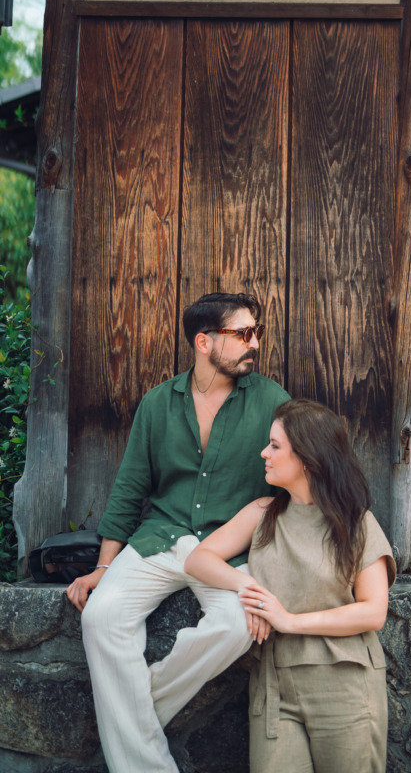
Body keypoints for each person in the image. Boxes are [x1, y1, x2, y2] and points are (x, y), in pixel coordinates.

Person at [65, 292, 290, 773]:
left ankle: (133, 714)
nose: (254, 344)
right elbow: (130, 488)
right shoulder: (158, 403)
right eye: (242, 334)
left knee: (236, 625)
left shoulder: (273, 402)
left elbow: (294, 483)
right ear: (204, 342)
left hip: (226, 549)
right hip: (160, 538)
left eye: (257, 333)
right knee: (100, 618)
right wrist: (104, 566)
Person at [184, 398, 396, 773]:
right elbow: (199, 560)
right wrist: (250, 588)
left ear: (307, 458)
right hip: (274, 687)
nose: (264, 452)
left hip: (344, 684)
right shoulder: (262, 514)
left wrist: (290, 621)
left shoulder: (356, 523)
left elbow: (373, 611)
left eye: (275, 446)